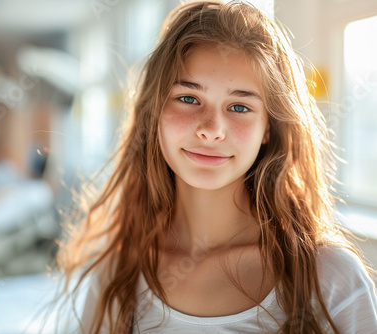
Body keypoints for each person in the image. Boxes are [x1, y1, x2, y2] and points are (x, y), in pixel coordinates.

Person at [53, 1, 377, 333]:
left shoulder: (329, 277)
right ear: (155, 113)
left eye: (239, 106)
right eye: (189, 99)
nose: (212, 128)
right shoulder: (114, 276)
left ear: (268, 128)